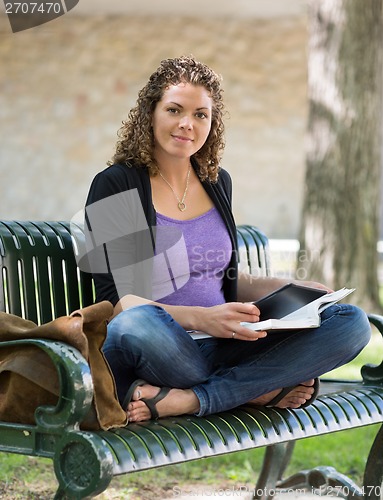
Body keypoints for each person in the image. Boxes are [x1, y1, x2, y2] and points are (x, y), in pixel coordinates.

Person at [84, 56, 371, 423]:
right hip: (161, 347)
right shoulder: (117, 184)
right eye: (174, 110)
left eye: (201, 115)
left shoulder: (216, 182)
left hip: (224, 345)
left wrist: (294, 288)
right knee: (137, 324)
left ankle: (192, 399)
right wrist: (203, 320)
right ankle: (258, 389)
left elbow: (223, 278)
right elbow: (118, 303)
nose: (187, 124)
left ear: (212, 123)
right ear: (150, 113)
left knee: (351, 321)